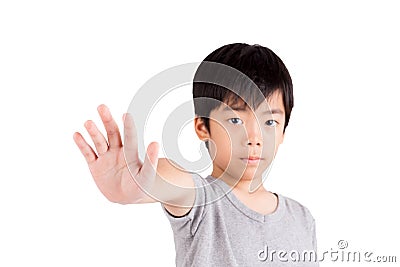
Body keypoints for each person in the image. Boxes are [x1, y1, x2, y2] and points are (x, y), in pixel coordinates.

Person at [73, 43, 319, 266]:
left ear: (284, 131)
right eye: (235, 119)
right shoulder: (202, 202)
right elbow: (173, 180)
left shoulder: (301, 218)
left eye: (270, 122)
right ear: (203, 127)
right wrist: (137, 184)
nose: (254, 137)